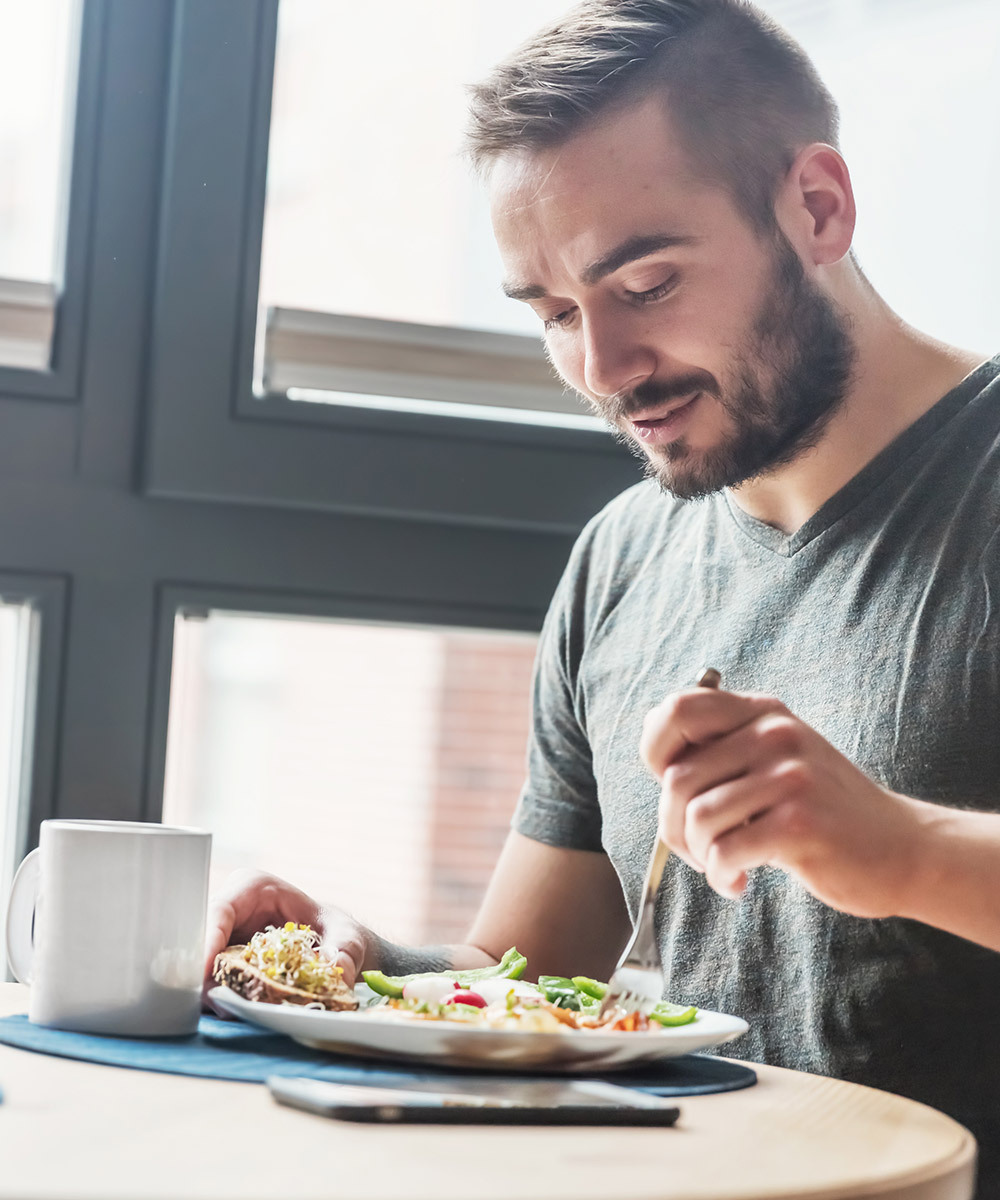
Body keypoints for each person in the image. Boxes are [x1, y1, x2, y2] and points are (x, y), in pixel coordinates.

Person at [205, 0, 1000, 1189]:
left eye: (644, 284)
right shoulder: (621, 557)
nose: (601, 369)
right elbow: (525, 977)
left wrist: (901, 848)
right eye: (556, 315)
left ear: (817, 208)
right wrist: (362, 965)